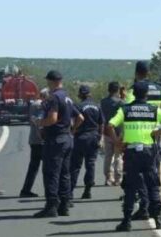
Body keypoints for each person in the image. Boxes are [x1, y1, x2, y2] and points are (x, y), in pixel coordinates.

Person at [106, 81, 161, 231]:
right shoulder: (153, 110)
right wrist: (157, 133)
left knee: (130, 186)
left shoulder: (125, 109)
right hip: (149, 151)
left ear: (134, 94)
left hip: (131, 153)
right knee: (152, 184)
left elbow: (110, 125)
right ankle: (158, 219)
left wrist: (117, 142)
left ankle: (126, 221)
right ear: (147, 94)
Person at [125, 60, 161, 218]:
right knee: (152, 171)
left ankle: (145, 206)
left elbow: (127, 110)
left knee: (138, 173)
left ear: (136, 73)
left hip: (137, 135)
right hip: (155, 134)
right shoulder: (159, 89)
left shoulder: (134, 90)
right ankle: (153, 206)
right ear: (148, 73)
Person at [33, 70, 82, 218]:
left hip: (55, 140)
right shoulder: (67, 97)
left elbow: (52, 119)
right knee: (65, 174)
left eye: (48, 81)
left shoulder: (54, 97)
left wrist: (39, 122)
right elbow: (80, 117)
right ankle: (64, 205)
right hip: (67, 138)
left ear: (51, 81)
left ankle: (51, 206)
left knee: (51, 173)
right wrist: (72, 130)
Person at [70, 85, 104, 199]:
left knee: (75, 165)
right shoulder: (97, 106)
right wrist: (100, 137)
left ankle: (70, 192)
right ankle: (88, 190)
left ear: (80, 95)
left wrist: (73, 129)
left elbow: (73, 120)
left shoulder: (78, 106)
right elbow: (101, 123)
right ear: (89, 94)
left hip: (80, 137)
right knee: (90, 164)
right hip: (93, 137)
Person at [19, 88, 47, 197]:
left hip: (33, 139)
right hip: (40, 141)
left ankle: (25, 190)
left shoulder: (34, 104)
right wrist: (42, 137)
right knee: (47, 167)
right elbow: (39, 122)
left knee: (33, 167)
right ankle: (49, 191)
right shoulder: (41, 105)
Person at [99, 81, 124, 186]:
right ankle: (118, 178)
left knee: (108, 156)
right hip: (118, 133)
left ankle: (108, 178)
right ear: (117, 90)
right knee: (118, 156)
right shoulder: (121, 103)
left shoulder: (103, 102)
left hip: (107, 132)